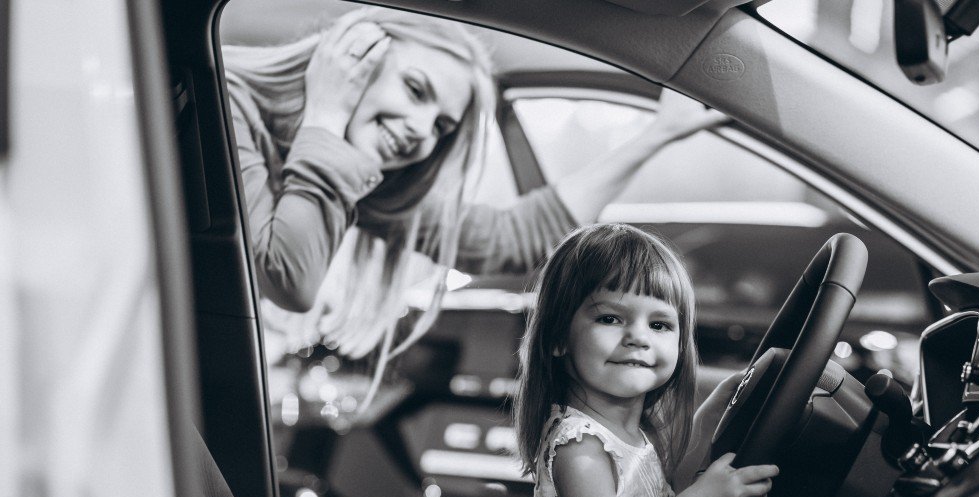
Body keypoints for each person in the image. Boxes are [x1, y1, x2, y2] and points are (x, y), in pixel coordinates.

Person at [221, 7, 728, 362]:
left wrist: (659, 132)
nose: (421, 129)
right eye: (415, 89)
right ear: (349, 55)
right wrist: (327, 113)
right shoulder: (228, 103)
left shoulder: (361, 179)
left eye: (440, 126)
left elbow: (514, 239)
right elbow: (288, 276)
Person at [512, 223, 779, 497]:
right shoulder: (580, 446)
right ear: (558, 337)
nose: (638, 337)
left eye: (659, 324)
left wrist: (716, 410)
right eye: (610, 318)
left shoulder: (632, 431)